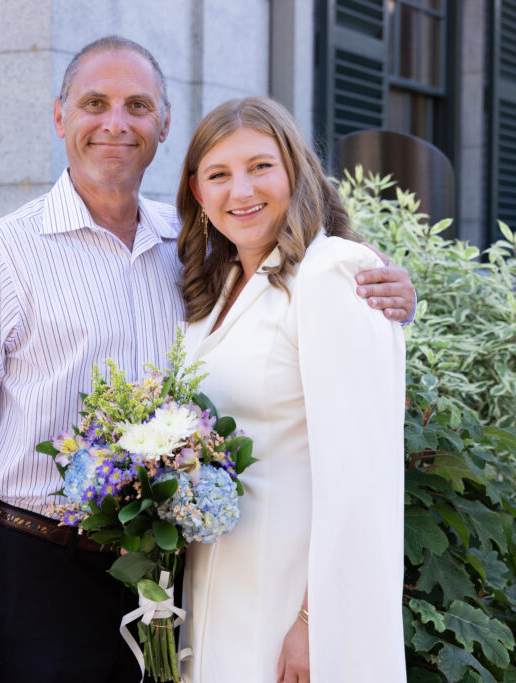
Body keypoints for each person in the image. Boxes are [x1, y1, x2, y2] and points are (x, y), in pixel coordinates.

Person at [0, 37, 414, 683]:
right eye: (95, 103)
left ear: (163, 124)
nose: (115, 123)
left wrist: (392, 300)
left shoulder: (197, 247)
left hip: (178, 569)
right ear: (60, 117)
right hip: (44, 570)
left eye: (137, 105)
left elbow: (304, 316)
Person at [176, 96, 406, 682]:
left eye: (260, 167)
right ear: (199, 194)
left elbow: (361, 473)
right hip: (212, 584)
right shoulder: (211, 291)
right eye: (219, 175)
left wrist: (315, 620)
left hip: (289, 602)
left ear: (295, 173)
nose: (241, 190)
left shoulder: (331, 273)